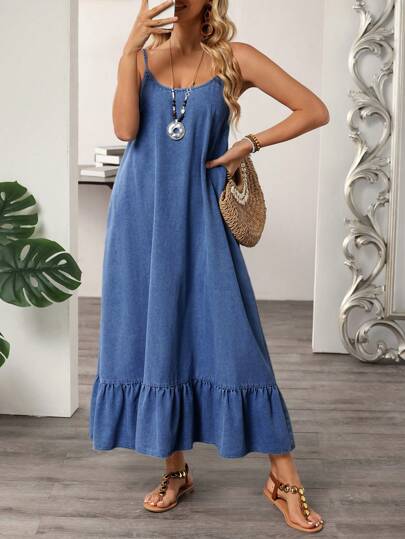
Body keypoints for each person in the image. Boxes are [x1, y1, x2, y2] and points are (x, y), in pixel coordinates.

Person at [88, 0, 329, 533]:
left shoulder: (235, 58)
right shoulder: (140, 59)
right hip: (140, 219)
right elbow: (126, 130)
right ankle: (174, 469)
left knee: (235, 337)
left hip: (200, 216)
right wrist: (128, 51)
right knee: (159, 336)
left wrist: (248, 144)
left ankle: (283, 476)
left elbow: (313, 110)